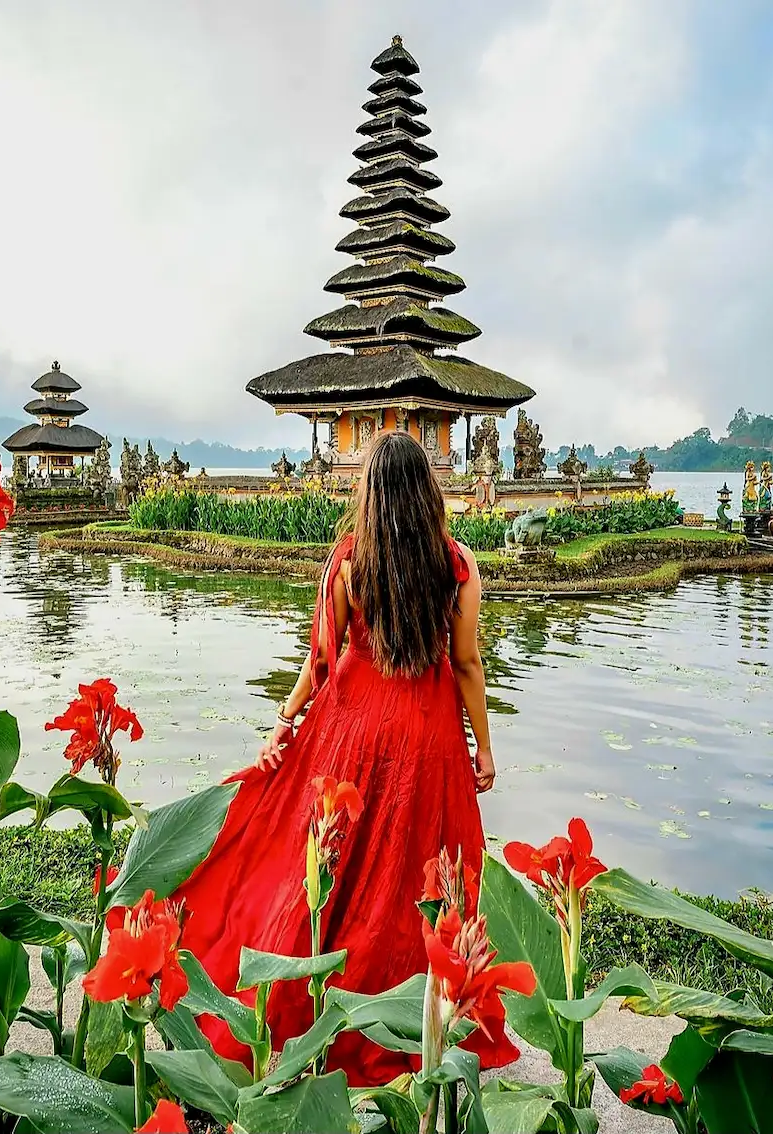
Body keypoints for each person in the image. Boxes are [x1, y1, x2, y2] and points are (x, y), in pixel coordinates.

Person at [176, 431, 506, 1085]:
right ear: (430, 494)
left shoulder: (351, 563)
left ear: (371, 495)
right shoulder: (459, 565)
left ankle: (299, 1008)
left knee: (324, 868)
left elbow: (322, 660)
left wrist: (284, 720)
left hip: (349, 729)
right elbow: (466, 662)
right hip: (426, 733)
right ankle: (415, 1021)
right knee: (415, 875)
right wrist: (485, 746)